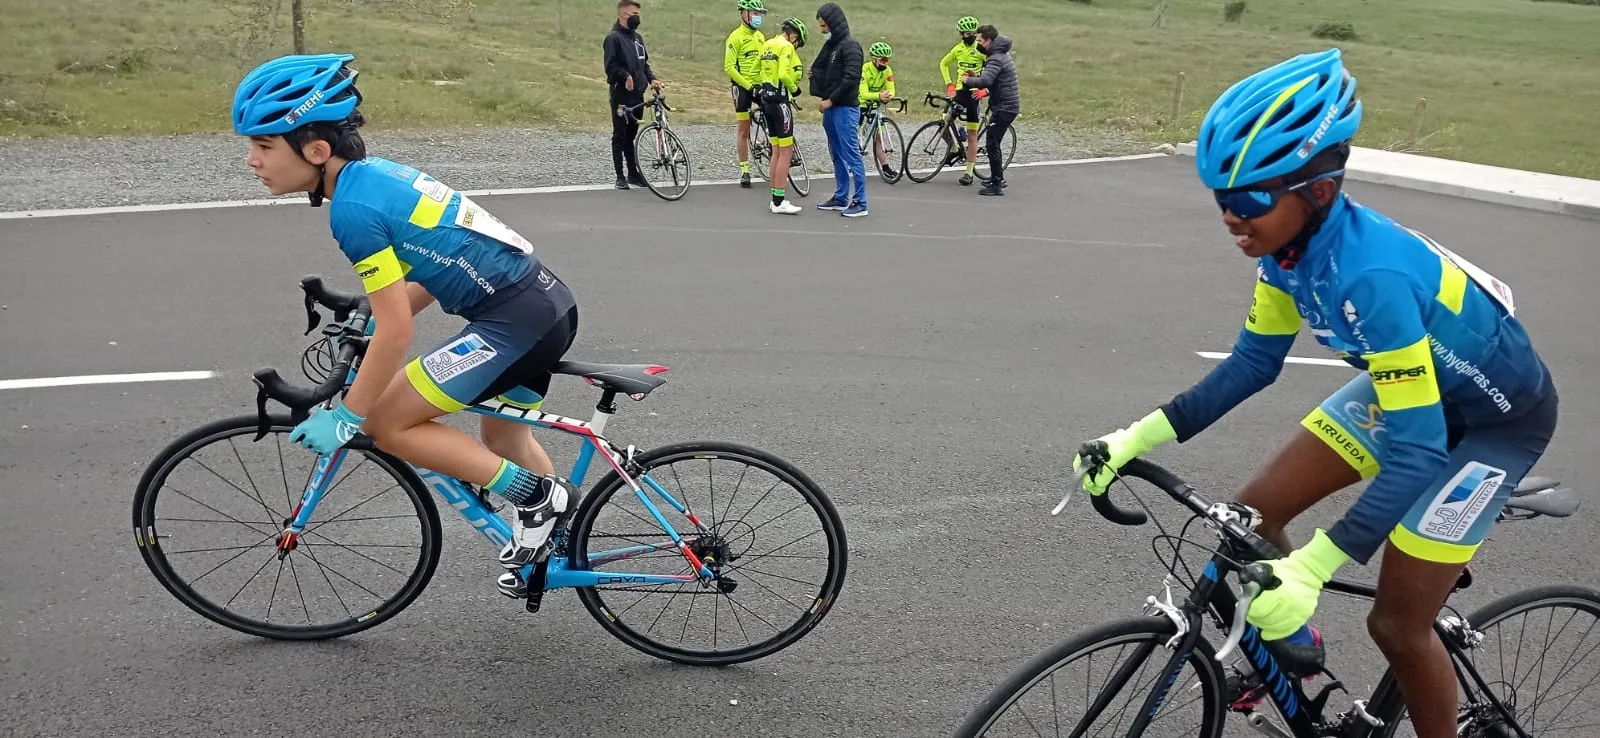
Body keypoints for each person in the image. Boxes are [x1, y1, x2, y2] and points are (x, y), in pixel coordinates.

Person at [1068, 49, 1558, 737]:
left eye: (1247, 202)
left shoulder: (1370, 278)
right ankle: (1299, 657)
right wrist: (1132, 438)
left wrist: (1315, 565)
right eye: (1220, 200)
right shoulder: (1287, 253)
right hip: (1413, 391)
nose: (1231, 220)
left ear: (1318, 191)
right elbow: (1250, 367)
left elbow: (1417, 454)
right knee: (1253, 516)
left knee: (1395, 623)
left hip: (1493, 428)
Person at [232, 52, 584, 601]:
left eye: (263, 146)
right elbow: (435, 263)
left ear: (316, 151)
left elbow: (397, 334)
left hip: (514, 323)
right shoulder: (376, 177)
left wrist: (348, 417)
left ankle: (539, 499)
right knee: (502, 434)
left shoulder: (349, 210)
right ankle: (557, 540)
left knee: (388, 424)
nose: (252, 160)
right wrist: (371, 303)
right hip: (544, 304)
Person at [808, 3, 868, 217]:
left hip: (844, 109)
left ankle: (860, 201)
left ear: (834, 24)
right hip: (832, 110)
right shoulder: (832, 47)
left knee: (851, 154)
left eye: (824, 26)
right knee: (837, 154)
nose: (822, 31)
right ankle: (841, 196)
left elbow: (851, 78)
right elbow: (823, 68)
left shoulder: (851, 46)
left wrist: (831, 100)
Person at [603, 0, 663, 190]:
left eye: (638, 13)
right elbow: (610, 67)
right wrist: (625, 76)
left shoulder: (638, 39)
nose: (636, 17)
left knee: (632, 134)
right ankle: (620, 176)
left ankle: (633, 174)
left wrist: (652, 79)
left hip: (638, 95)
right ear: (623, 15)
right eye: (633, 14)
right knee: (619, 134)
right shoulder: (613, 38)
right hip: (621, 95)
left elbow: (644, 64)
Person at [756, 16, 809, 214]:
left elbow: (756, 70)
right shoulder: (785, 46)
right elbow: (783, 75)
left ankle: (774, 199)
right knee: (785, 153)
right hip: (780, 103)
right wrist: (795, 89)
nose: (796, 47)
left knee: (776, 151)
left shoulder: (768, 44)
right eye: (798, 42)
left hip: (767, 102)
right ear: (793, 35)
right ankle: (779, 202)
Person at [959, 25, 1017, 196]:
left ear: (989, 41)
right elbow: (991, 79)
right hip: (1004, 105)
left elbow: (986, 81)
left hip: (1004, 108)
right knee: (993, 142)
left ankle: (997, 184)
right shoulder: (999, 55)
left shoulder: (996, 58)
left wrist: (968, 79)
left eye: (980, 40)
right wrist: (977, 77)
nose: (978, 43)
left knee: (992, 144)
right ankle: (995, 177)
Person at [938, 15, 986, 186]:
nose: (969, 36)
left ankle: (969, 172)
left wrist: (980, 81)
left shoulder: (981, 50)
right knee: (943, 122)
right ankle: (953, 147)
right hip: (959, 92)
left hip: (974, 93)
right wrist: (949, 84)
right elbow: (943, 64)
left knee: (972, 135)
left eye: (972, 33)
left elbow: (991, 72)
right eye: (965, 34)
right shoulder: (958, 49)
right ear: (961, 34)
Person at [726, 0, 769, 188]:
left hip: (759, 85)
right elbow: (729, 67)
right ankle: (744, 170)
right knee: (744, 129)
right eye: (754, 13)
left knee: (773, 120)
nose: (757, 17)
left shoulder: (761, 37)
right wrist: (747, 85)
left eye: (759, 13)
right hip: (742, 87)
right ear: (743, 14)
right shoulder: (735, 37)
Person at [859, 41, 898, 181]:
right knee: (854, 134)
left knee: (878, 139)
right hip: (862, 104)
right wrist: (879, 95)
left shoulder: (887, 70)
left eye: (887, 60)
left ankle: (886, 167)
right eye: (882, 60)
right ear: (874, 59)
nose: (885, 62)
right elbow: (863, 93)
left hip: (877, 105)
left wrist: (888, 96)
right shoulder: (865, 69)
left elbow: (891, 88)